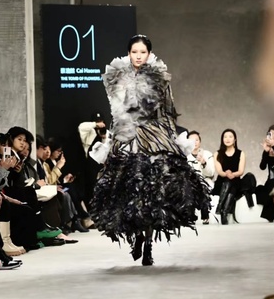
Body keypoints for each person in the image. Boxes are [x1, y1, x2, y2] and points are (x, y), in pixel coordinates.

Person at [90, 34, 211, 266]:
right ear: (128, 53)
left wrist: (170, 137)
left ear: (149, 54)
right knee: (129, 192)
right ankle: (137, 237)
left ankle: (147, 244)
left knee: (153, 193)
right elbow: (117, 111)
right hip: (127, 136)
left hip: (154, 136)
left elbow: (168, 110)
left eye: (142, 52)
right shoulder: (118, 76)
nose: (138, 56)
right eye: (134, 52)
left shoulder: (160, 77)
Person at [212, 129, 247, 225]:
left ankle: (221, 208)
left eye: (230, 137)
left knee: (232, 183)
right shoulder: (217, 154)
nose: (227, 139)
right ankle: (224, 212)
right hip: (221, 182)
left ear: (235, 139)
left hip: (236, 181)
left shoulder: (241, 153)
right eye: (225, 137)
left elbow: (241, 171)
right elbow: (219, 171)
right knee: (228, 182)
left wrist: (233, 174)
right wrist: (227, 174)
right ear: (222, 139)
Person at [186, 131, 216, 224]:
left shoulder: (207, 154)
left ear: (200, 141)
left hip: (205, 181)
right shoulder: (185, 157)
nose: (194, 142)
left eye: (196, 140)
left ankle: (205, 216)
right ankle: (190, 217)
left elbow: (211, 173)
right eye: (191, 140)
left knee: (203, 188)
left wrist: (203, 163)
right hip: (191, 183)